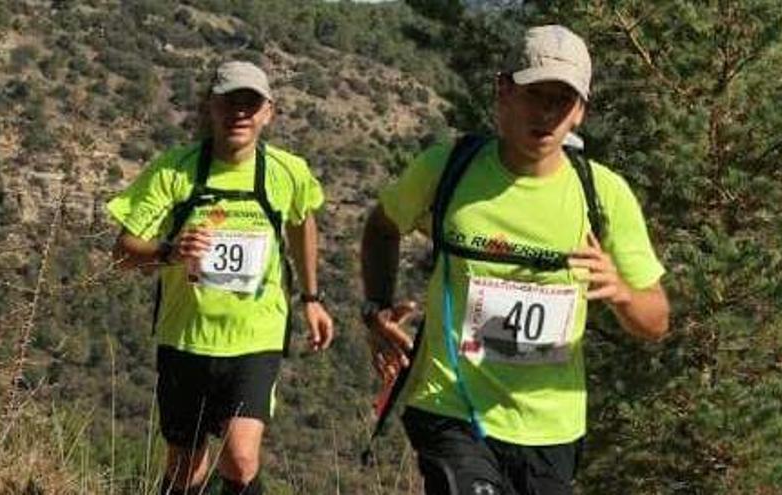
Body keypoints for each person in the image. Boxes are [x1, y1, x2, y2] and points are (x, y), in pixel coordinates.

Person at [360, 25, 669, 495]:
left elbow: (656, 321)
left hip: (551, 430)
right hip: (451, 408)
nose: (546, 113)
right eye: (535, 94)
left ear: (580, 113)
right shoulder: (447, 169)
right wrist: (376, 306)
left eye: (561, 101)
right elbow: (382, 225)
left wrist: (623, 294)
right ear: (503, 91)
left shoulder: (603, 195)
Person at [108, 60, 333, 495]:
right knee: (185, 465)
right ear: (210, 106)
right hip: (185, 336)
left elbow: (303, 221)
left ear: (270, 112)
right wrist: (170, 251)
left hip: (255, 336)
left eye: (251, 103)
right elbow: (123, 252)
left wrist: (312, 297)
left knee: (241, 458)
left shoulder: (288, 172)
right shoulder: (176, 171)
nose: (240, 113)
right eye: (230, 102)